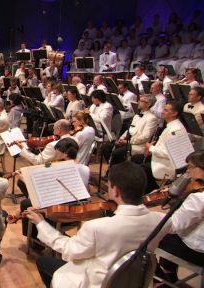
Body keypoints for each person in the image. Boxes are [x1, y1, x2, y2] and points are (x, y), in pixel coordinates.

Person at [25, 161, 168, 288]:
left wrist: (40, 223)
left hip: (102, 282)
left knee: (44, 261)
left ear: (116, 191)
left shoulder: (97, 227)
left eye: (109, 186)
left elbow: (70, 250)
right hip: (135, 281)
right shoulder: (160, 220)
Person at [157, 151, 204, 284]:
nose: (188, 172)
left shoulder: (198, 198)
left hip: (197, 250)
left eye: (190, 167)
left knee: (147, 234)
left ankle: (160, 280)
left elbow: (173, 226)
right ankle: (169, 273)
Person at [137, 101, 186, 193]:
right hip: (160, 157)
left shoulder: (177, 128)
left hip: (167, 164)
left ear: (175, 113)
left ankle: (148, 191)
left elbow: (168, 153)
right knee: (136, 159)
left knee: (141, 169)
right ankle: (150, 188)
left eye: (166, 110)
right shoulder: (171, 125)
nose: (163, 112)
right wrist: (151, 147)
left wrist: (150, 148)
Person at [104, 95, 159, 174]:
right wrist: (121, 138)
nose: (139, 102)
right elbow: (129, 130)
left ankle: (115, 173)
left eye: (141, 101)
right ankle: (115, 170)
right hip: (127, 141)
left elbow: (145, 137)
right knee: (106, 147)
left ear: (148, 104)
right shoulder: (137, 115)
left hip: (138, 145)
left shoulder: (152, 118)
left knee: (117, 153)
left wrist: (128, 142)